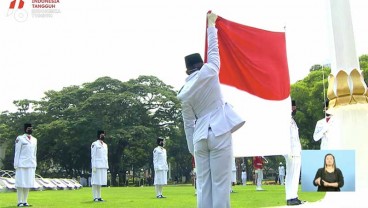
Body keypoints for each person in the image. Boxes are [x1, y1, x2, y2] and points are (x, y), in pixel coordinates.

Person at [177, 11, 245, 208]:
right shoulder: (210, 70)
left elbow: (188, 124)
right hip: (219, 130)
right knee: (221, 184)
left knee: (204, 185)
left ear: (186, 71)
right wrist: (211, 25)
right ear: (201, 64)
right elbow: (214, 50)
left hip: (199, 138)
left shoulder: (183, 93)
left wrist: (193, 149)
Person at [283, 100, 305, 206]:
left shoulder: (291, 120)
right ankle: (292, 197)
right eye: (293, 107)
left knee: (292, 174)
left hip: (295, 150)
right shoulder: (286, 120)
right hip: (291, 151)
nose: (294, 109)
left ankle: (291, 197)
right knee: (293, 174)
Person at [14, 123, 37, 207]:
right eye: (28, 128)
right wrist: (16, 164)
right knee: (20, 184)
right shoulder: (20, 138)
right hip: (21, 164)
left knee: (28, 184)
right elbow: (17, 152)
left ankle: (25, 201)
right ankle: (19, 201)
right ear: (25, 129)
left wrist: (35, 164)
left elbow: (34, 153)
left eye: (31, 128)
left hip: (31, 164)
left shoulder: (34, 139)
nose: (30, 129)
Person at [91, 130, 108, 202]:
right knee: (95, 182)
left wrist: (106, 165)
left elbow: (105, 156)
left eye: (104, 134)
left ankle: (99, 197)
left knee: (100, 182)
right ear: (98, 135)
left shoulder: (105, 145)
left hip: (103, 165)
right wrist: (93, 166)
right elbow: (93, 155)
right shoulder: (95, 144)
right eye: (101, 134)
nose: (103, 136)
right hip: (96, 165)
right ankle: (95, 197)